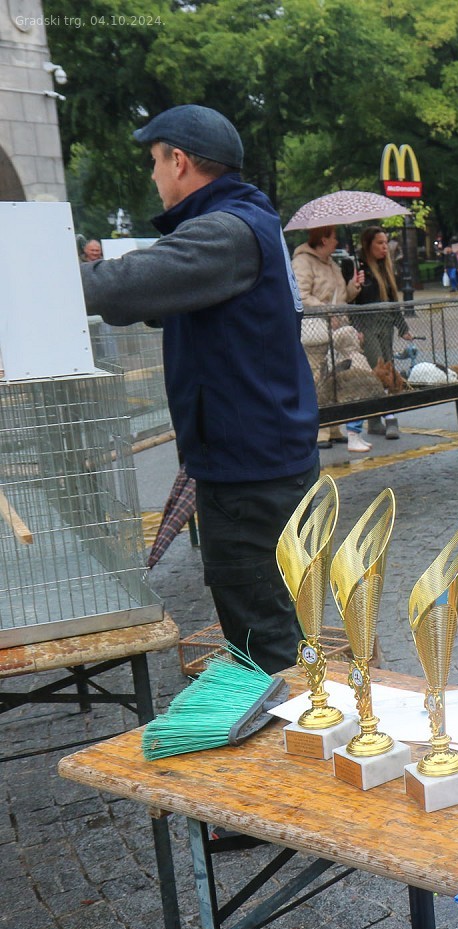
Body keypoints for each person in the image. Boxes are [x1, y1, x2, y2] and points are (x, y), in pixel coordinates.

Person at [78, 104, 318, 674]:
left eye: (154, 162)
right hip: (263, 459)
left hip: (249, 473)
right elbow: (163, 303)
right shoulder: (244, 221)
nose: (153, 175)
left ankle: (292, 722)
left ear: (180, 161)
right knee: (274, 620)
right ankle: (296, 708)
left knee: (262, 639)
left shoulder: (224, 231)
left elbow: (120, 287)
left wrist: (32, 274)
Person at [293, 225, 369, 452]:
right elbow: (300, 295)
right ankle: (319, 431)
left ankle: (333, 428)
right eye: (334, 237)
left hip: (336, 330)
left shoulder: (332, 264)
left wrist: (353, 287)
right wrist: (327, 311)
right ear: (323, 239)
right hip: (314, 331)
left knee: (335, 379)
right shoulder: (302, 262)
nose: (337, 241)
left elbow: (341, 297)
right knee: (317, 381)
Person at [352, 226, 411, 439]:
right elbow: (351, 302)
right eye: (379, 243)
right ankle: (389, 419)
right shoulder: (358, 267)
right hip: (367, 326)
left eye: (386, 242)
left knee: (388, 368)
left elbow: (393, 301)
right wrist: (356, 285)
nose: (385, 247)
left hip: (386, 324)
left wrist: (403, 328)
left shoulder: (386, 268)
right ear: (368, 245)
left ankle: (376, 420)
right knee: (378, 371)